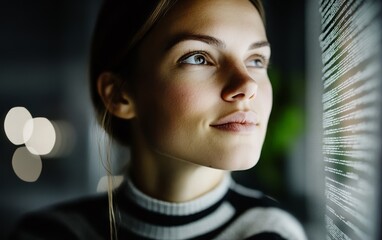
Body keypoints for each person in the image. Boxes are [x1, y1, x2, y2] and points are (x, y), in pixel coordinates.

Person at [9, 0, 307, 239]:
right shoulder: (46, 234)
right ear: (120, 96)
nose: (247, 85)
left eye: (256, 60)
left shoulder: (272, 234)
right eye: (198, 58)